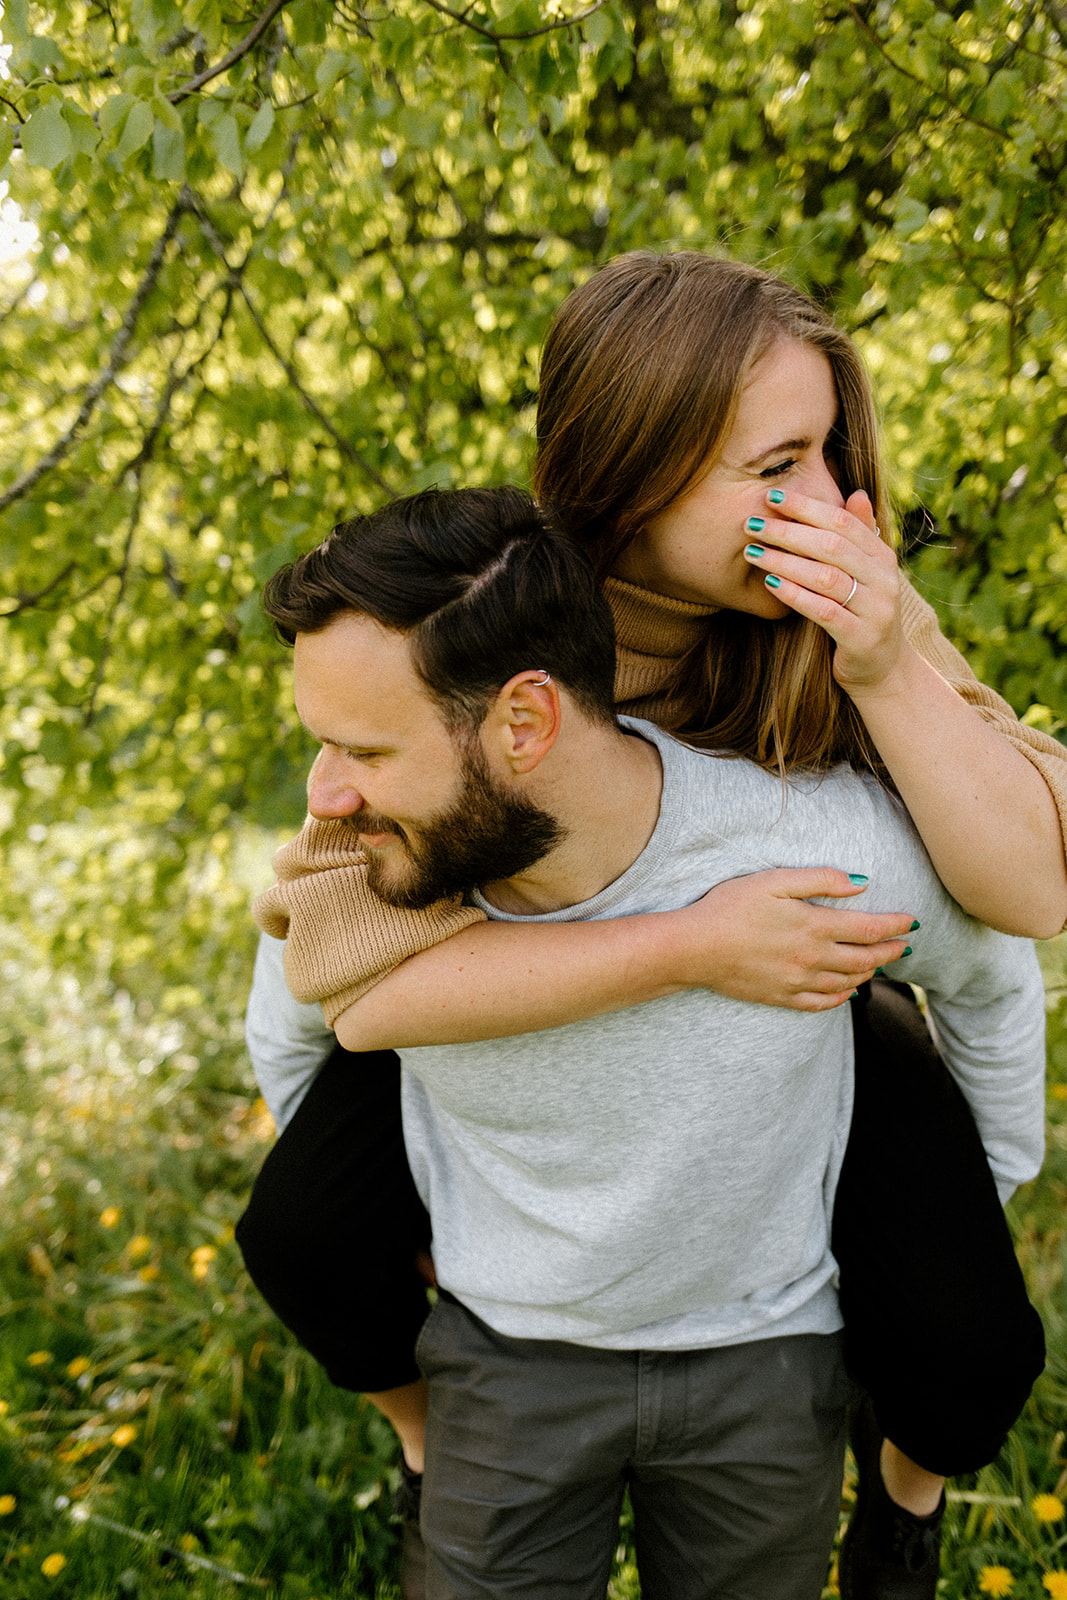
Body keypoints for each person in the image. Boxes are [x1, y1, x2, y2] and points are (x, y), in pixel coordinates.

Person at [239, 253, 1066, 1597]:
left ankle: (901, 1503)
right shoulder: (508, 617)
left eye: (829, 454)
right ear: (635, 477)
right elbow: (336, 925)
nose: (828, 505)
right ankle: (437, 1452)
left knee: (968, 1331)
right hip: (492, 966)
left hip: (804, 971)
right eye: (777, 466)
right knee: (303, 1230)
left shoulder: (840, 603)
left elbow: (1031, 892)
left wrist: (886, 662)